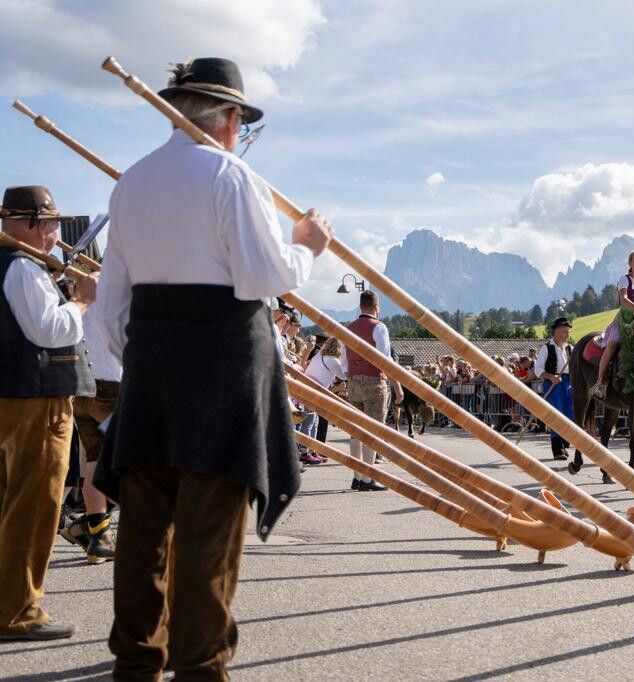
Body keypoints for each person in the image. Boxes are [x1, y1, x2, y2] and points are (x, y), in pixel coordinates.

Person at [93, 57, 332, 679]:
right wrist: (305, 244)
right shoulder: (232, 176)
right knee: (208, 536)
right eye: (241, 123)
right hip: (222, 371)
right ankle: (201, 670)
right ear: (229, 119)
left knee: (144, 531)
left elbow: (111, 308)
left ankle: (138, 662)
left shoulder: (131, 183)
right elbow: (265, 276)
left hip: (150, 368)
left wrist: (149, 359)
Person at [0, 185, 98, 641]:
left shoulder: (16, 264)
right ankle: (18, 609)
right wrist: (79, 301)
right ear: (35, 223)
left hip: (18, 398)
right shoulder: (22, 266)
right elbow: (49, 331)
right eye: (53, 224)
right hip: (35, 403)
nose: (57, 233)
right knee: (33, 506)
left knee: (15, 503)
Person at [62, 304, 120, 563]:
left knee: (94, 459)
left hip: (83, 385)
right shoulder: (114, 288)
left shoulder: (77, 295)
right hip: (112, 382)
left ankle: (99, 535)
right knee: (134, 460)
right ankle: (143, 531)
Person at [341, 290, 404, 489]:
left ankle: (357, 476)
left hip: (353, 382)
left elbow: (343, 365)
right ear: (377, 308)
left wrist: (352, 375)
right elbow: (385, 360)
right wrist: (397, 386)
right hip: (374, 382)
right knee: (373, 431)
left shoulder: (348, 328)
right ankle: (368, 478)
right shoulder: (379, 327)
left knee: (356, 431)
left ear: (360, 306)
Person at [590, 250, 634, 399]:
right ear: (630, 264)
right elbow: (623, 299)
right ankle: (600, 382)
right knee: (612, 344)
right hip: (625, 319)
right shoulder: (625, 279)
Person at [534, 317, 574, 461]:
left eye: (568, 332)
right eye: (565, 331)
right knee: (556, 414)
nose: (567, 335)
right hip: (553, 383)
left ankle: (564, 444)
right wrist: (551, 377)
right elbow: (538, 369)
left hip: (568, 382)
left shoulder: (570, 349)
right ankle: (557, 449)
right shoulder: (547, 347)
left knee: (569, 414)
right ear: (556, 332)